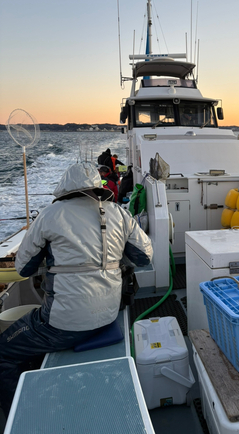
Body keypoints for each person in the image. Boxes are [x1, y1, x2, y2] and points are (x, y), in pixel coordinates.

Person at [0, 162, 153, 418]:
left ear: (64, 187)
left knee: (3, 352)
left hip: (62, 325)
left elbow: (24, 268)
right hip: (108, 313)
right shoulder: (118, 212)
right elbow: (144, 258)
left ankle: (21, 417)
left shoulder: (50, 214)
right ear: (98, 186)